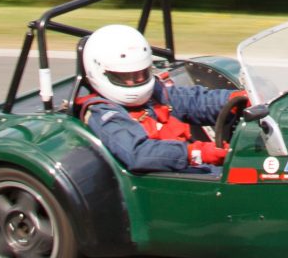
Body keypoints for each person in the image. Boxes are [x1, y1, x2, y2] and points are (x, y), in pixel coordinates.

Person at [73, 23, 254, 175]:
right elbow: (138, 153)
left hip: (189, 171)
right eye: (125, 76)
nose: (135, 81)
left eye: (141, 74)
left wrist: (235, 99)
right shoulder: (103, 113)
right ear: (100, 73)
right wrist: (196, 153)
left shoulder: (154, 93)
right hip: (169, 179)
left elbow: (193, 101)